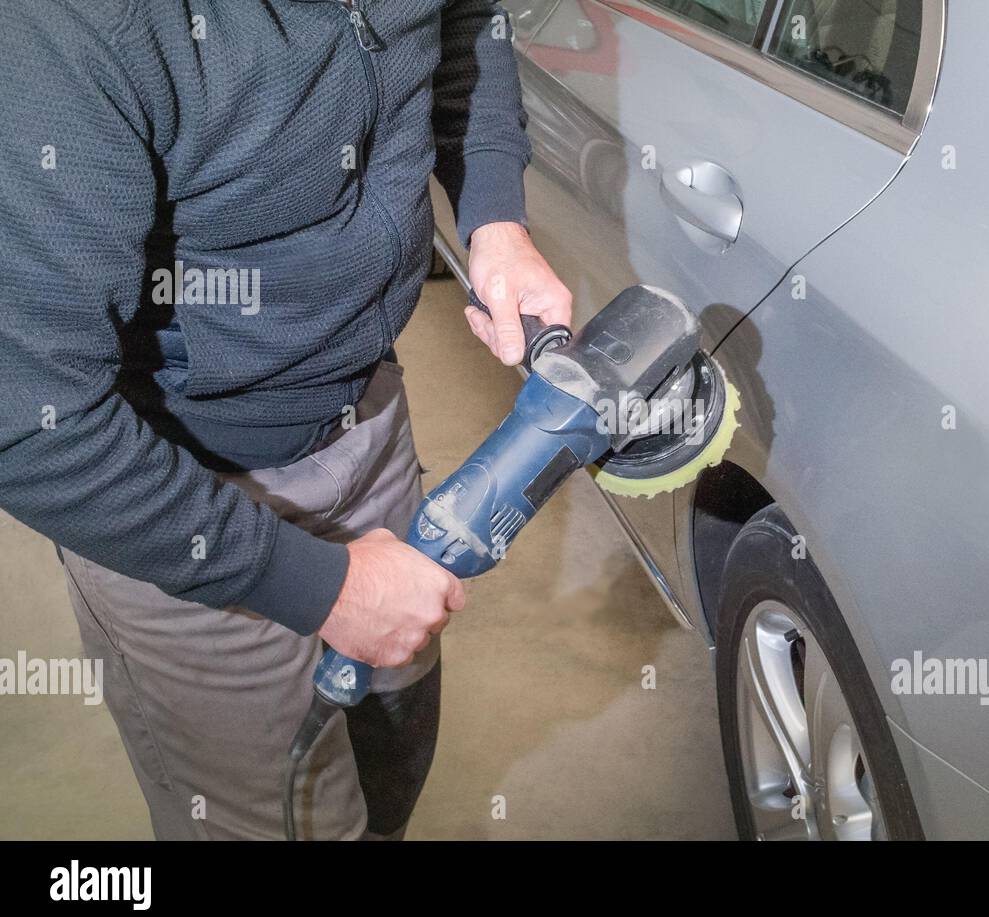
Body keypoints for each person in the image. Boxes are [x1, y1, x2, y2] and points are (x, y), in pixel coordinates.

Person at [0, 0, 572, 839]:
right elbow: (30, 429)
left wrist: (494, 215)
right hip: (186, 495)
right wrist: (319, 586)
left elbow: (463, 23)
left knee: (392, 757)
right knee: (284, 819)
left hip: (368, 406)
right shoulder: (68, 31)